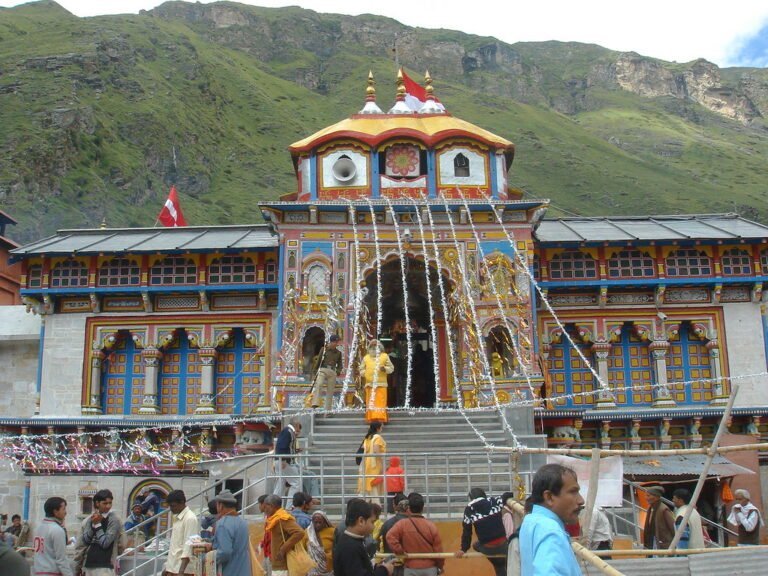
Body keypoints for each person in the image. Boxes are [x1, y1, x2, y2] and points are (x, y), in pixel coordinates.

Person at [519, 463, 584, 576]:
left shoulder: (531, 520)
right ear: (549, 497)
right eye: (573, 492)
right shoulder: (551, 531)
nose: (581, 500)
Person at [386, 492, 444, 576]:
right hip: (430, 568)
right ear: (422, 508)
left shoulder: (402, 524)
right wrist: (440, 566)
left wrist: (400, 551)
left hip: (410, 567)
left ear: (409, 508)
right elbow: (438, 551)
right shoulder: (431, 526)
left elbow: (390, 536)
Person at [333, 498, 394, 576]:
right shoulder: (349, 547)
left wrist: (376, 567)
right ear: (361, 521)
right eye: (372, 522)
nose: (373, 526)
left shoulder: (353, 541)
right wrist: (385, 570)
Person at [455, 488, 507, 576]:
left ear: (471, 498)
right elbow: (507, 495)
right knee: (503, 563)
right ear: (483, 494)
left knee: (476, 545)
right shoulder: (493, 501)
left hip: (488, 548)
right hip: (504, 545)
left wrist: (463, 549)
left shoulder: (469, 509)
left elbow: (467, 532)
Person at [76, 489, 123, 576]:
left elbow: (105, 543)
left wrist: (97, 525)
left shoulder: (114, 520)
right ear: (97, 503)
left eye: (110, 503)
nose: (108, 506)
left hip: (105, 567)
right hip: (88, 566)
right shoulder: (89, 519)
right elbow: (84, 542)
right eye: (105, 503)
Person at [205, 489, 251, 576]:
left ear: (221, 506)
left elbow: (224, 552)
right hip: (244, 570)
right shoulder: (242, 522)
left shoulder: (223, 524)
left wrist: (206, 557)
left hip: (230, 571)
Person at [262, 494, 304, 576]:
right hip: (276, 563)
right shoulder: (274, 518)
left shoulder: (282, 518)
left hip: (282, 565)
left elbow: (299, 532)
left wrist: (283, 549)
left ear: (272, 506)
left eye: (266, 506)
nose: (264, 510)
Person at [33, 497, 73, 576]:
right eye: (63, 509)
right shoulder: (57, 530)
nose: (65, 512)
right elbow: (61, 560)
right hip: (51, 572)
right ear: (55, 511)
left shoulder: (37, 528)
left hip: (38, 571)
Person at [163, 490, 200, 576]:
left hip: (183, 570)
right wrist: (168, 567)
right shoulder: (177, 517)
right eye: (170, 506)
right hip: (173, 568)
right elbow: (175, 546)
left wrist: (181, 571)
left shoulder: (190, 518)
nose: (171, 509)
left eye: (173, 506)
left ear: (182, 502)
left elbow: (189, 547)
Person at [360, 340, 394, 422]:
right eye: (372, 346)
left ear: (380, 347)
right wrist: (367, 373)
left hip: (381, 384)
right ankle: (371, 419)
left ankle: (381, 419)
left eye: (376, 346)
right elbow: (361, 370)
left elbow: (391, 368)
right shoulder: (366, 357)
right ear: (369, 347)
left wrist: (384, 369)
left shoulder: (385, 356)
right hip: (369, 384)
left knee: (380, 403)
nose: (374, 348)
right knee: (371, 403)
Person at [311, 334, 343, 410]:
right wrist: (315, 371)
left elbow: (340, 364)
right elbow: (318, 360)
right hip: (323, 370)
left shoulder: (338, 353)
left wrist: (338, 371)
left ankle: (327, 410)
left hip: (332, 371)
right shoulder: (324, 349)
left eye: (337, 342)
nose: (336, 344)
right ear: (331, 342)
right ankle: (315, 403)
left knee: (330, 390)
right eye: (335, 342)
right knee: (319, 383)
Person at [273, 418, 302, 501]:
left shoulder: (287, 431)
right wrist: (284, 460)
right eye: (298, 427)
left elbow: (284, 446)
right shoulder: (288, 431)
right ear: (296, 425)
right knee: (296, 483)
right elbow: (282, 446)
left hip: (280, 460)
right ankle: (289, 507)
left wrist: (295, 451)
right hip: (284, 461)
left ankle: (274, 504)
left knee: (280, 484)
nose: (298, 430)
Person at [358, 422, 387, 504]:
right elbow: (376, 450)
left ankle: (365, 503)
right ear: (378, 428)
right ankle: (375, 504)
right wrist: (382, 458)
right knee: (374, 484)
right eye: (381, 427)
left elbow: (364, 448)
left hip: (366, 463)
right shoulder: (377, 437)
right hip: (374, 464)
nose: (382, 429)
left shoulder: (368, 438)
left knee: (368, 484)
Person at [642, 485, 675, 550]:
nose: (646, 498)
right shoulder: (651, 508)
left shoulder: (664, 509)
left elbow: (673, 528)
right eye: (646, 495)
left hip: (662, 543)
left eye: (648, 496)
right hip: (652, 541)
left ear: (657, 497)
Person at [307, 510, 334, 576]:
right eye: (315, 522)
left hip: (328, 568)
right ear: (312, 522)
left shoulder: (332, 531)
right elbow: (302, 549)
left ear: (325, 522)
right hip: (312, 569)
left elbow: (338, 548)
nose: (318, 524)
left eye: (320, 522)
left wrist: (327, 555)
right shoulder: (307, 533)